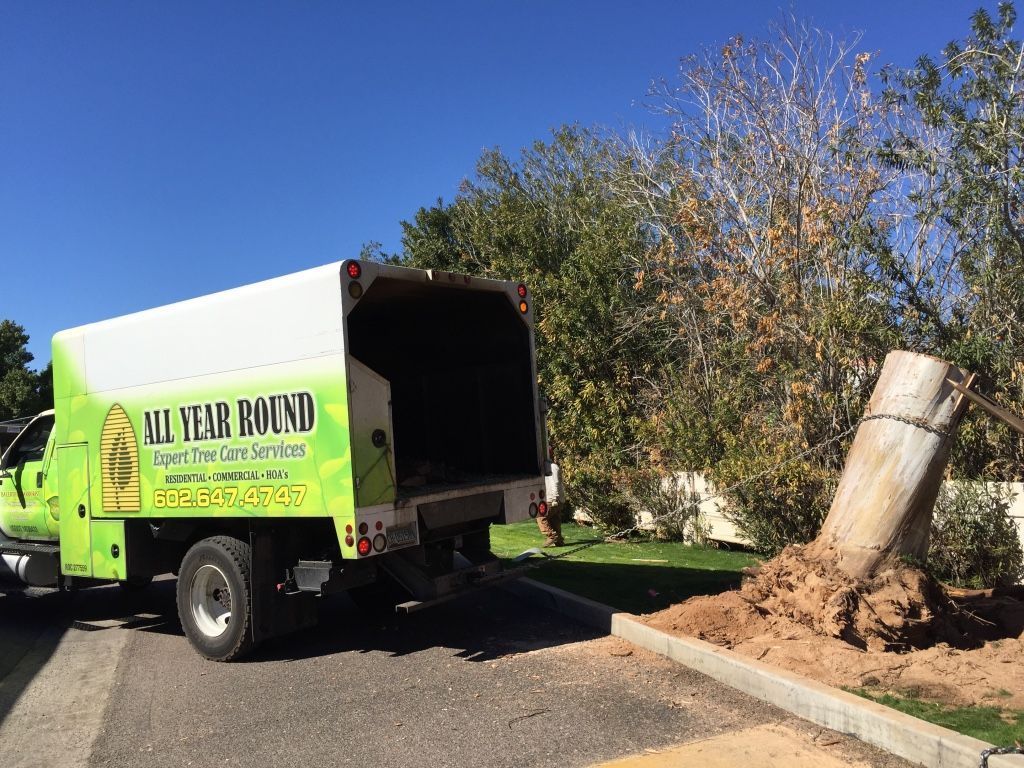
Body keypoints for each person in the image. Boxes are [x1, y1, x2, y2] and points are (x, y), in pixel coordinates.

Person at [537, 461, 564, 547]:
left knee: (540, 516)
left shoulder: (552, 467)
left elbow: (555, 483)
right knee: (555, 520)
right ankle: (559, 540)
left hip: (554, 499)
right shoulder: (546, 466)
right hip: (558, 498)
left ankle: (551, 536)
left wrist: (554, 499)